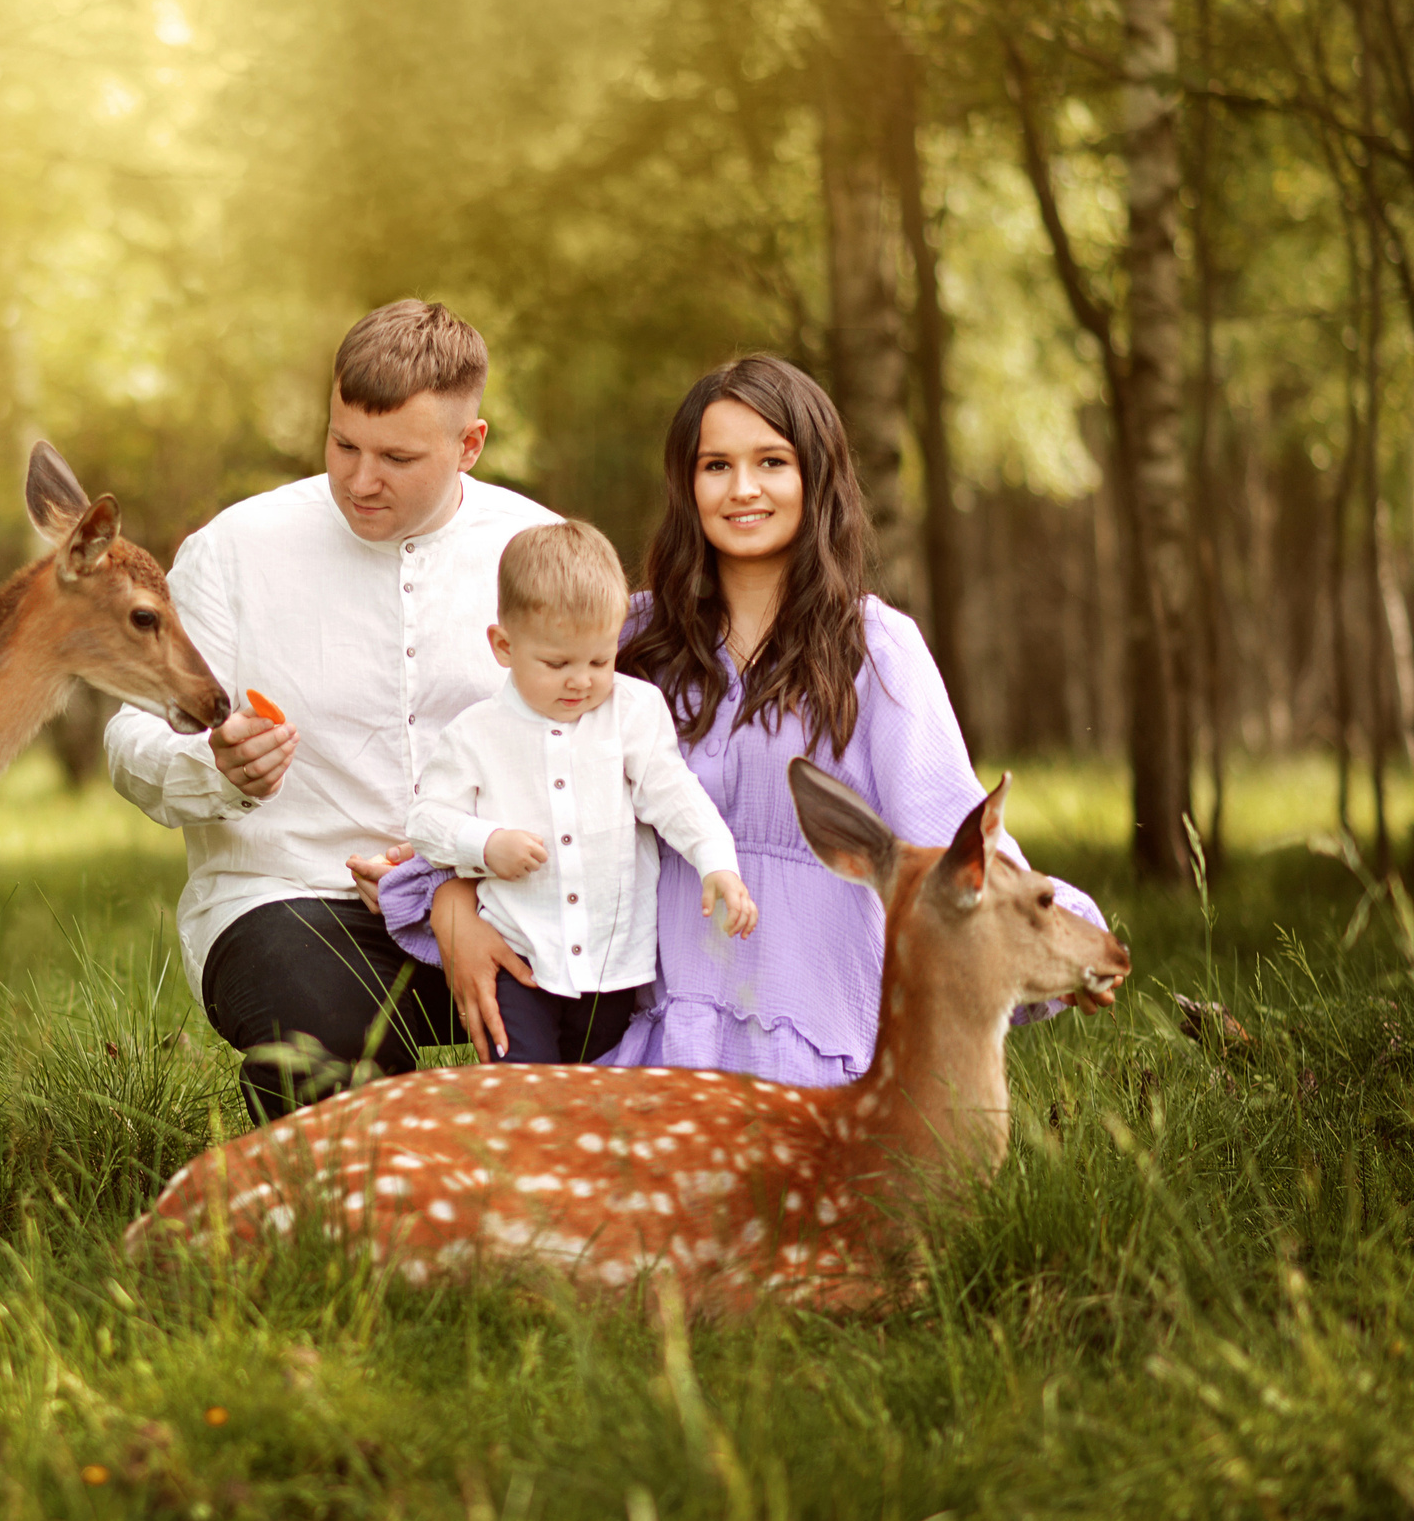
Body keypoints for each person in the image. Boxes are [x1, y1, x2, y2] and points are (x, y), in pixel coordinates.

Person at [386, 354, 1107, 1082]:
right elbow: (509, 761)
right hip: (658, 1018)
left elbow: (947, 828)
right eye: (716, 466)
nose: (744, 489)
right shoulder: (628, 642)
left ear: (815, 477)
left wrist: (1063, 928)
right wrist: (448, 898)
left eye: (771, 462)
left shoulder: (876, 650)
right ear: (687, 484)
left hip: (808, 1016)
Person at [105, 299, 557, 1117]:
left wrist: (458, 874)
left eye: (396, 457)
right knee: (331, 1049)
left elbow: (596, 744)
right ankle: (348, 1211)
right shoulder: (236, 551)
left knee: (622, 1004)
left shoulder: (538, 550)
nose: (358, 479)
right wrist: (214, 768)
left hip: (493, 898)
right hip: (291, 899)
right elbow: (130, 738)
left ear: (471, 444)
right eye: (342, 443)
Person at [405, 518, 758, 1065]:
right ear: (504, 645)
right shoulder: (475, 733)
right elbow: (427, 821)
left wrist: (717, 862)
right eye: (557, 663)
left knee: (595, 1086)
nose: (581, 681)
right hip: (520, 956)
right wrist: (484, 842)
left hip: (610, 965)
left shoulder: (633, 712)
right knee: (525, 1088)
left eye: (600, 660)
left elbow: (674, 794)